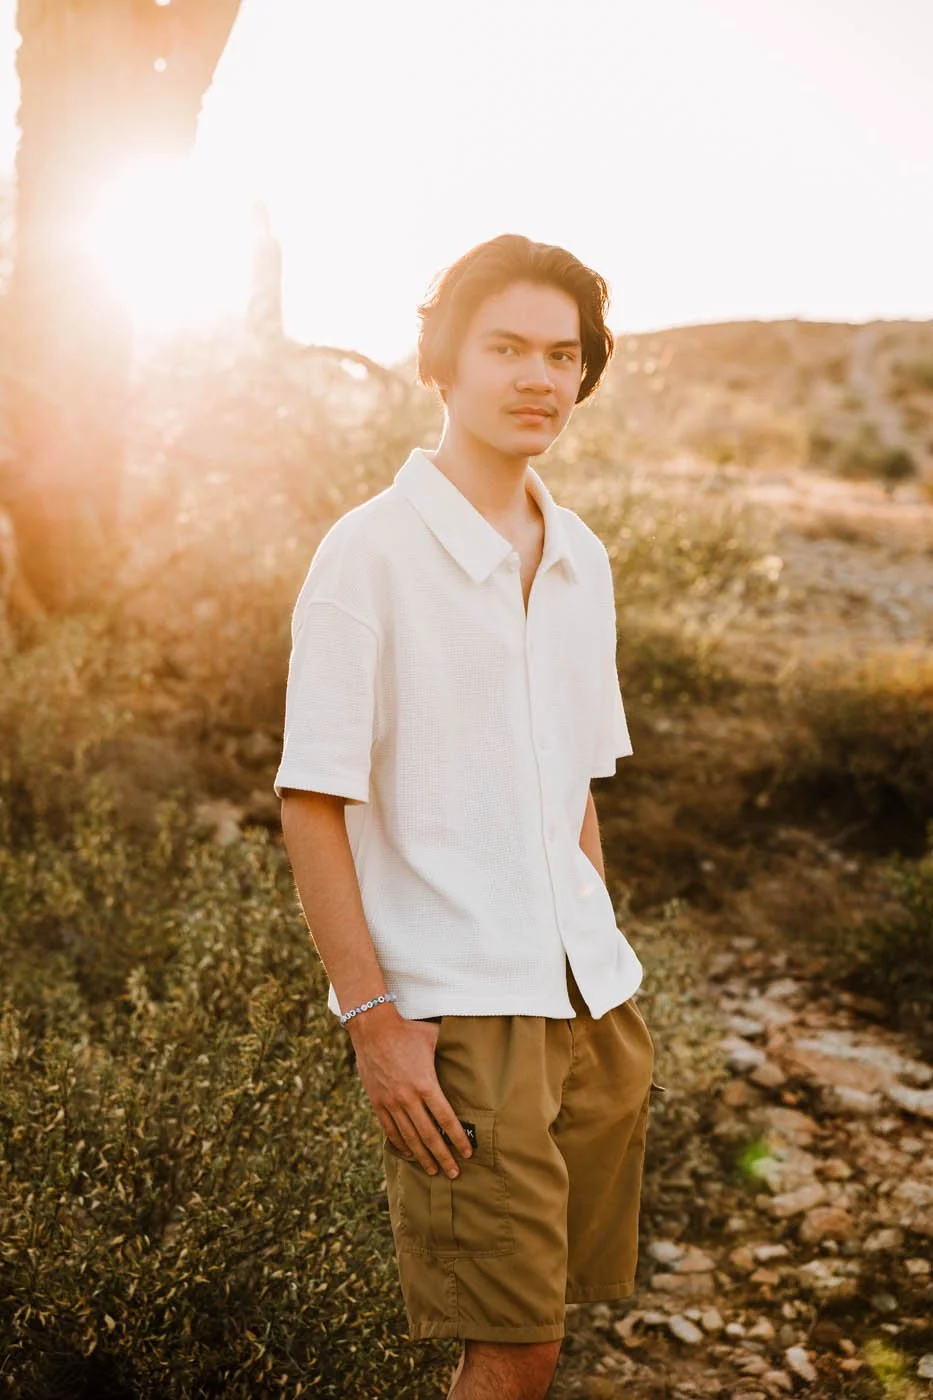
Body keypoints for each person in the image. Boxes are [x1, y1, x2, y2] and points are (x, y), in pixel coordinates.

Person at [274, 233, 655, 1400]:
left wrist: (605, 971)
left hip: (587, 1003)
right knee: (512, 1342)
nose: (541, 376)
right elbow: (311, 800)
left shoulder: (581, 556)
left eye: (563, 352)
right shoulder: (369, 553)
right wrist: (374, 1018)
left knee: (548, 1319)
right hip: (458, 1012)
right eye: (506, 348)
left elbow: (575, 786)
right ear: (442, 363)